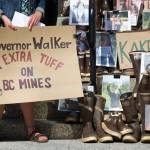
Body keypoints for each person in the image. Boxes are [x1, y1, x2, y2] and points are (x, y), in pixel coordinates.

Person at [0, 0, 48, 142]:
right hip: (4, 29)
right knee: (2, 82)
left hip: (28, 33)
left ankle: (31, 130)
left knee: (25, 79)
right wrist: (3, 17)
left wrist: (39, 11)